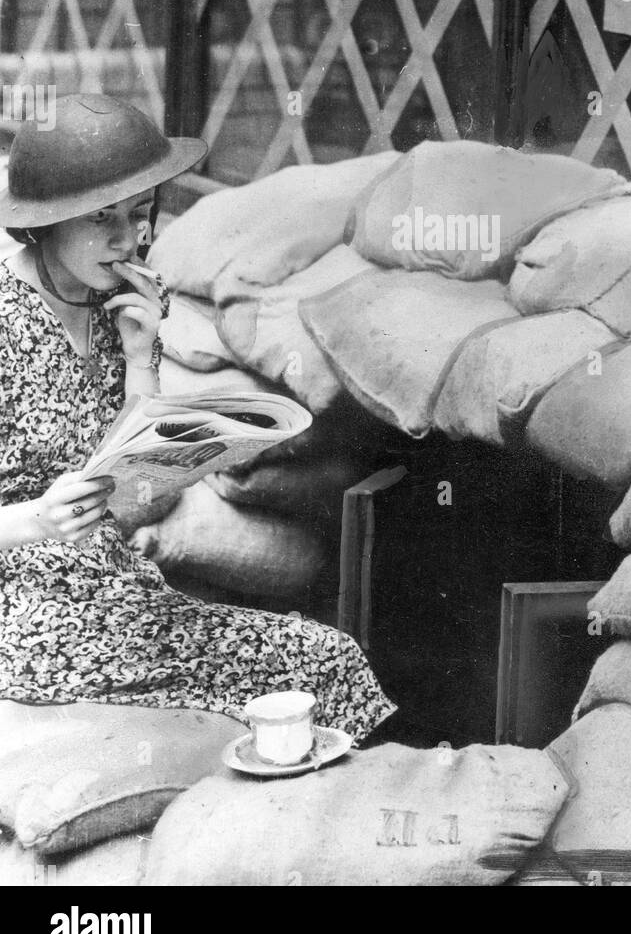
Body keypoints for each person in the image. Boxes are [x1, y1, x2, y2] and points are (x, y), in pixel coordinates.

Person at [0, 93, 394, 740]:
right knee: (296, 682)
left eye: (139, 214)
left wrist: (138, 355)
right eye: (104, 221)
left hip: (115, 589)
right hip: (23, 618)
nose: (130, 239)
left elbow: (132, 468)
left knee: (329, 659)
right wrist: (36, 519)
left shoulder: (120, 308)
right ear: (47, 223)